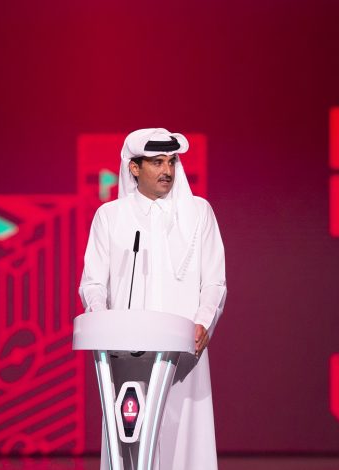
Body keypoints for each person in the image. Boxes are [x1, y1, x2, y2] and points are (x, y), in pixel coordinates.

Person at [79, 128, 227, 469]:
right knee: (129, 441)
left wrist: (203, 322)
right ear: (134, 168)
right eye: (157, 162)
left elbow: (214, 281)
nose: (167, 170)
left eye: (171, 162)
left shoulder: (198, 212)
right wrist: (103, 322)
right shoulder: (110, 216)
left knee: (184, 445)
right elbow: (93, 284)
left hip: (184, 354)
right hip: (125, 353)